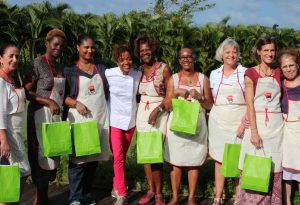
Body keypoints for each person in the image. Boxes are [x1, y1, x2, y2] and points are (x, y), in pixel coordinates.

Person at [235, 36, 283, 204]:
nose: (270, 54)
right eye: (266, 50)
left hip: (277, 129)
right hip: (258, 126)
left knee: (275, 167)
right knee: (254, 166)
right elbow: (249, 104)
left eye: (272, 50)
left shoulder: (279, 72)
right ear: (258, 52)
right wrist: (254, 132)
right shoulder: (251, 73)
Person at [64, 34, 110, 205]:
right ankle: (75, 197)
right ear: (78, 48)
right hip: (79, 119)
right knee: (78, 161)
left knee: (92, 160)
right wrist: (76, 103)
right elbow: (63, 97)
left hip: (99, 118)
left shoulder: (102, 68)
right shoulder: (69, 70)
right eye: (86, 47)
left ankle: (87, 194)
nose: (90, 50)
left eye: (92, 47)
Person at [164, 48, 213, 205]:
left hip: (197, 128)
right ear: (179, 60)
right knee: (176, 162)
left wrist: (200, 97)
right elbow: (166, 105)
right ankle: (175, 196)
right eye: (182, 57)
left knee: (194, 162)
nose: (186, 59)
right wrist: (175, 93)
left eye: (189, 56)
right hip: (177, 128)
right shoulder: (173, 79)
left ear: (194, 58)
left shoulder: (203, 79)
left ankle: (191, 196)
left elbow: (210, 105)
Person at [24, 28, 66, 205]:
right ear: (47, 43)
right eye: (55, 44)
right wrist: (48, 102)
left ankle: (43, 198)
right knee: (41, 156)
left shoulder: (58, 66)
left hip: (55, 118)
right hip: (39, 117)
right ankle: (38, 200)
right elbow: (27, 91)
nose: (58, 48)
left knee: (52, 156)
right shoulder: (36, 63)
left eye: (61, 46)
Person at [208, 38, 247, 205]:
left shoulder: (245, 72)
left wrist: (244, 123)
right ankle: (218, 196)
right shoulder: (214, 74)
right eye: (227, 52)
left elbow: (251, 101)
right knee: (219, 160)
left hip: (238, 122)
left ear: (238, 55)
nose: (231, 55)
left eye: (234, 52)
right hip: (218, 123)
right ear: (221, 55)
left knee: (239, 161)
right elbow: (211, 100)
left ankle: (239, 198)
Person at [134, 34, 172, 205]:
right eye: (142, 50)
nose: (145, 53)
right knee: (145, 154)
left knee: (155, 154)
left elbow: (170, 95)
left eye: (147, 49)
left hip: (158, 113)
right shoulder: (138, 70)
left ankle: (159, 193)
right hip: (142, 112)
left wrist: (158, 109)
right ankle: (150, 189)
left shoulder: (164, 68)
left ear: (153, 49)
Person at [106, 45, 142, 205]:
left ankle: (115, 185)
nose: (126, 62)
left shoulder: (138, 74)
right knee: (118, 157)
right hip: (114, 121)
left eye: (128, 58)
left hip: (131, 122)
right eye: (122, 59)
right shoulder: (109, 73)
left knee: (121, 157)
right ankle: (122, 194)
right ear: (117, 61)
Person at [0, 42, 31, 205]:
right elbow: (0, 112)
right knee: (18, 172)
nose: (14, 59)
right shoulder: (0, 81)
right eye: (10, 56)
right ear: (0, 58)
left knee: (13, 173)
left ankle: (11, 202)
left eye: (17, 56)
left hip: (16, 134)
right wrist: (3, 140)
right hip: (8, 134)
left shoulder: (10, 80)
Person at [278, 48, 300, 205]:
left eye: (291, 65)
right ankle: (287, 201)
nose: (288, 69)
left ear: (298, 65)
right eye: (285, 66)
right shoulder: (280, 85)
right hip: (287, 135)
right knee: (287, 172)